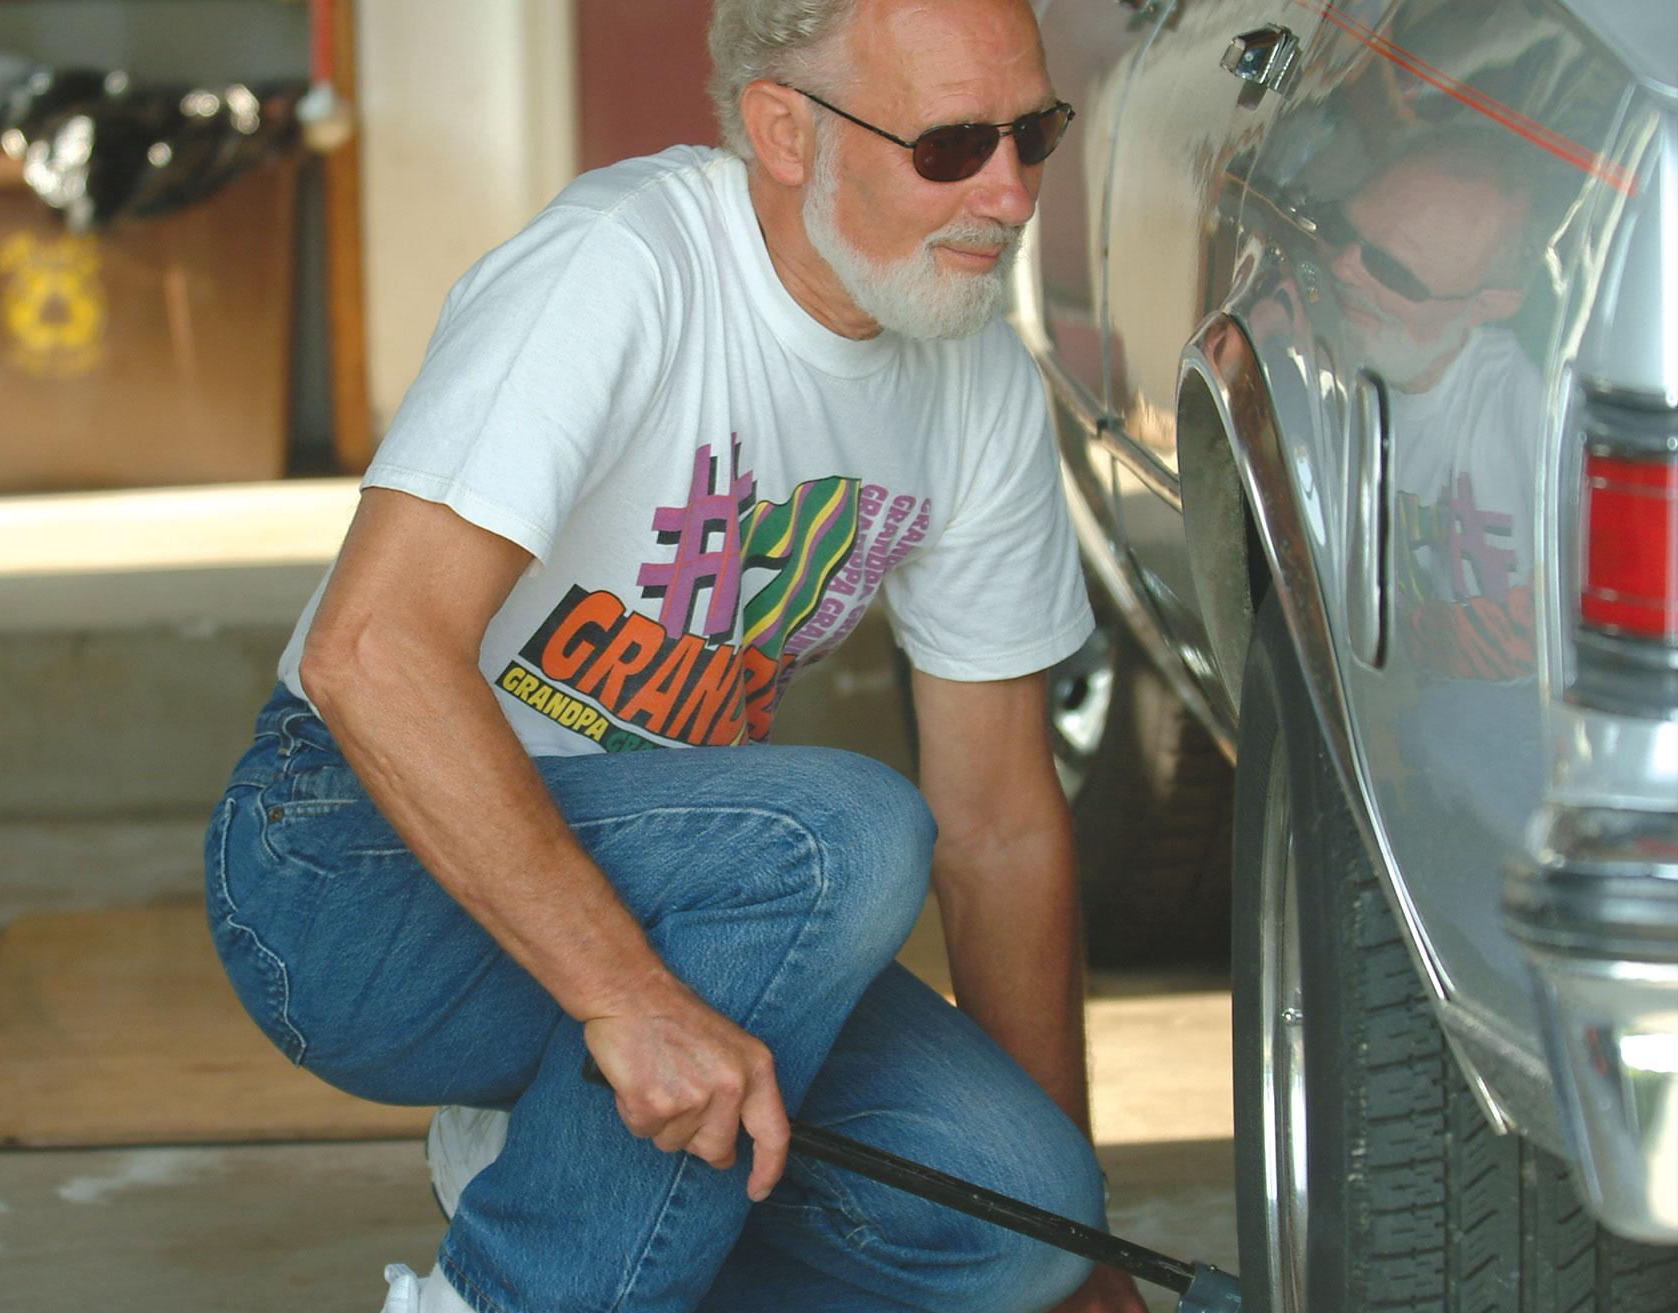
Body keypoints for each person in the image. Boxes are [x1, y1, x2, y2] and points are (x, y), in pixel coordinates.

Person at [203, 1, 1147, 1308]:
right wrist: (625, 998)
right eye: (951, 146)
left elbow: (1000, 828)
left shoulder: (972, 369)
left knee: (1017, 1227)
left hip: (672, 904)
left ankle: (558, 1147)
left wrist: (1083, 1265)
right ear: (785, 131)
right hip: (346, 868)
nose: (1009, 189)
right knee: (838, 837)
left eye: (1033, 132)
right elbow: (371, 654)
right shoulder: (622, 264)